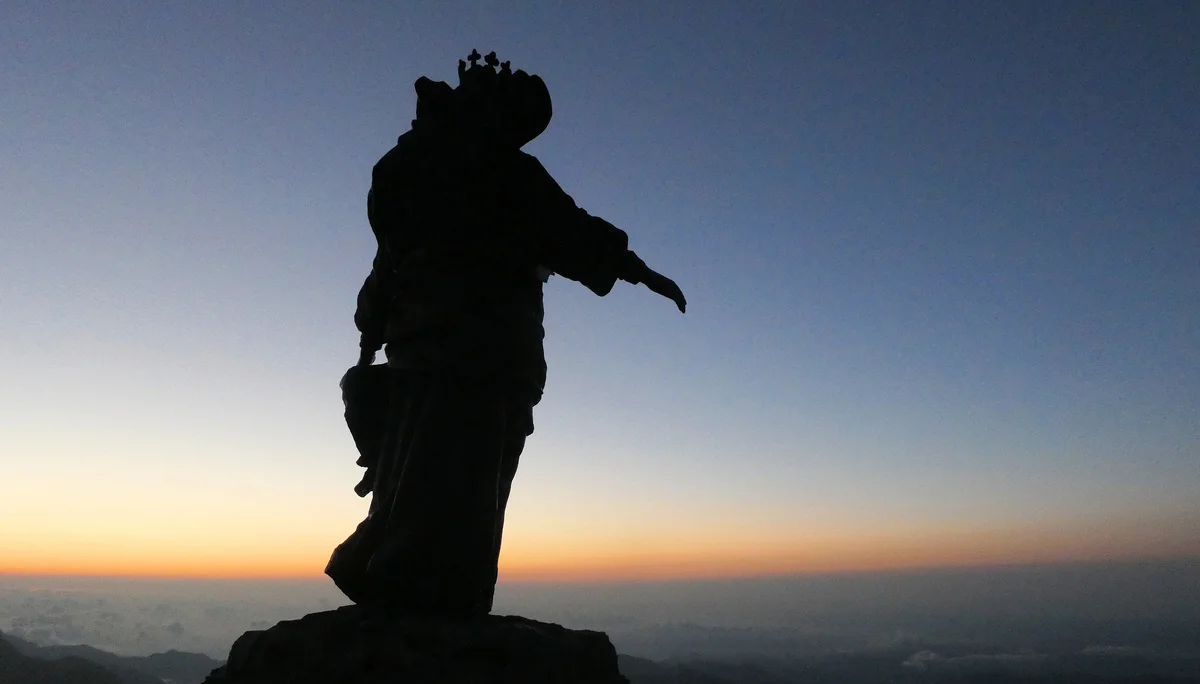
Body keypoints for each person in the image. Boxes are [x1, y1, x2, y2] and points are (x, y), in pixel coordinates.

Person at [325, 51, 686, 616]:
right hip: (482, 354)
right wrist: (636, 269)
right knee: (463, 483)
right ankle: (425, 607)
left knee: (429, 477)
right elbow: (571, 231)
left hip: (440, 350)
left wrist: (372, 337)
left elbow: (387, 267)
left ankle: (404, 593)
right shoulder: (499, 172)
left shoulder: (410, 165)